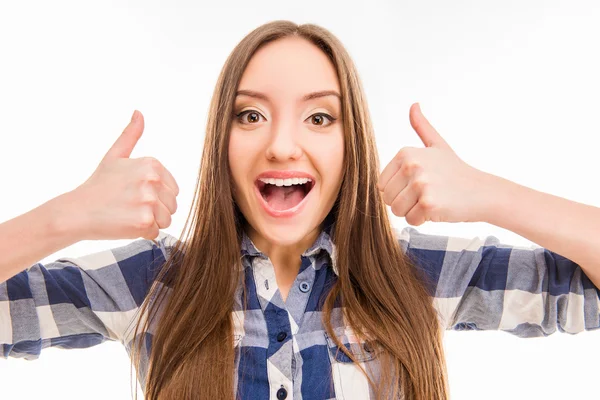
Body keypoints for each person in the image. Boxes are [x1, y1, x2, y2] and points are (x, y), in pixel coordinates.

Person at [1, 20, 599, 400]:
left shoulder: (417, 277)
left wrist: (489, 194)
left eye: (319, 117)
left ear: (351, 145)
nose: (283, 144)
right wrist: (69, 215)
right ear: (221, 143)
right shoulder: (149, 286)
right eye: (251, 114)